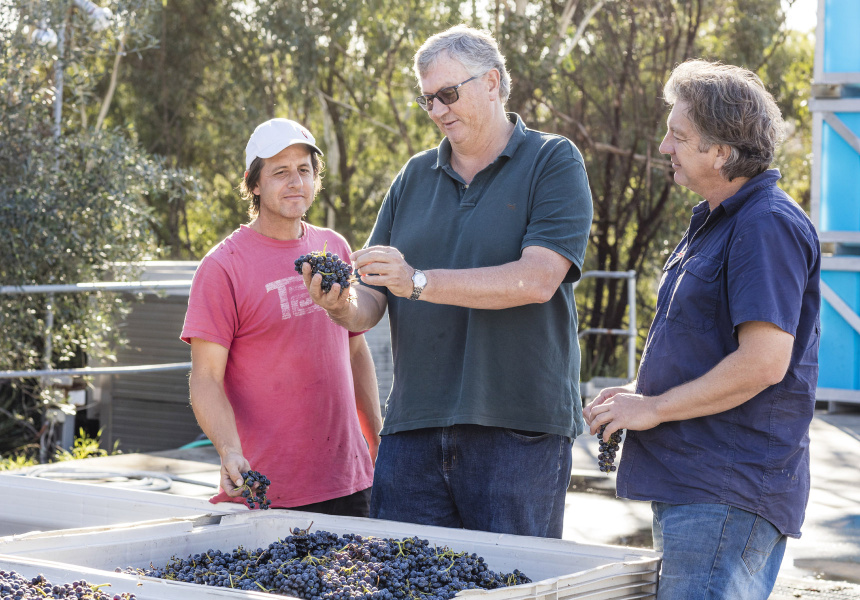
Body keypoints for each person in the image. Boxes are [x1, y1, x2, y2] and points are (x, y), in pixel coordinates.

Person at [303, 25, 593, 538]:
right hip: (413, 428)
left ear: (492, 82)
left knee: (512, 588)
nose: (437, 110)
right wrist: (342, 306)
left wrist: (417, 280)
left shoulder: (553, 160)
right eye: (427, 99)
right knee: (401, 584)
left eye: (448, 94)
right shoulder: (413, 176)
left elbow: (537, 280)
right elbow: (372, 297)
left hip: (518, 429)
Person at [584, 60, 821, 600]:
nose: (665, 146)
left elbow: (764, 361)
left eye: (678, 135)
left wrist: (654, 408)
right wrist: (642, 396)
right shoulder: (718, 221)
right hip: (698, 489)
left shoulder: (766, 224)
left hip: (726, 491)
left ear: (721, 152)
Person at [181, 118, 382, 517]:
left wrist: (378, 435)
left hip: (350, 481)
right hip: (265, 491)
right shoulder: (223, 267)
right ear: (254, 183)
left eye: (304, 170)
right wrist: (229, 451)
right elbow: (205, 378)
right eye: (280, 172)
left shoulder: (333, 247)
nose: (296, 182)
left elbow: (356, 351)